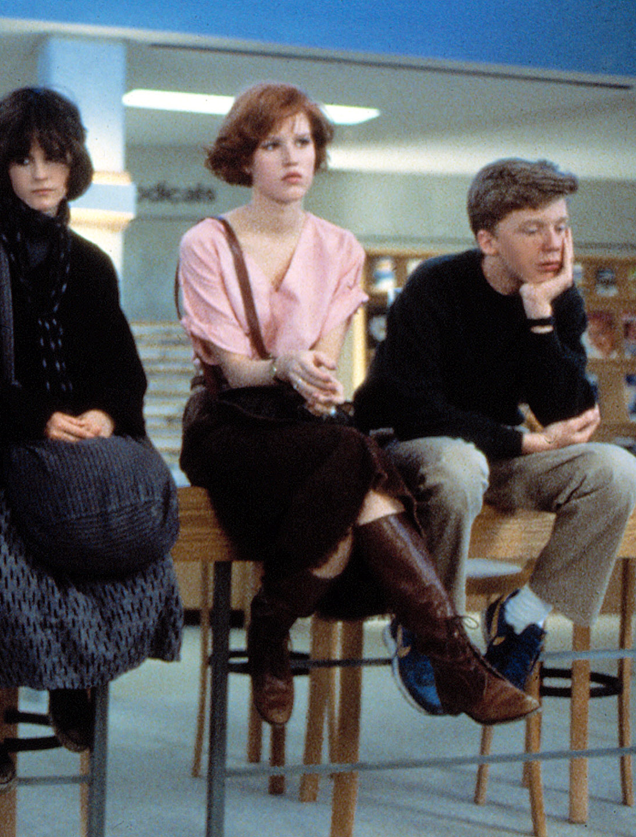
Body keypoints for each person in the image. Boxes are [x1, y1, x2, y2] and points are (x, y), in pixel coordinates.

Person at [176, 82, 538, 730]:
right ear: (244, 157)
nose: (293, 156)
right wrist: (284, 366)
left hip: (306, 427)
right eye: (272, 144)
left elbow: (323, 365)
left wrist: (310, 379)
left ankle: (278, 629)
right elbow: (232, 371)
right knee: (357, 463)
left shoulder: (340, 247)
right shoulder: (205, 242)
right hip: (230, 424)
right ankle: (451, 660)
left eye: (303, 141)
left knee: (350, 481)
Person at [0, 87, 183, 791]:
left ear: (73, 165)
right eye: (23, 158)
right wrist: (33, 416)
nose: (39, 173)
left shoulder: (89, 262)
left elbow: (122, 373)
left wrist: (105, 415)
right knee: (0, 551)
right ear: (1, 165)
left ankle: (74, 676)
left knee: (124, 543)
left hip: (66, 463)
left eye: (53, 157)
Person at [353, 158, 636, 713]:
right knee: (459, 464)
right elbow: (415, 409)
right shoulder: (435, 285)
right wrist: (528, 443)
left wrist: (540, 317)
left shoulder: (557, 299)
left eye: (560, 226)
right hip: (410, 448)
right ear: (488, 240)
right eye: (532, 229)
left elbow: (570, 413)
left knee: (615, 470)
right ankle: (428, 629)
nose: (553, 243)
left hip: (493, 456)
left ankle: (521, 616)